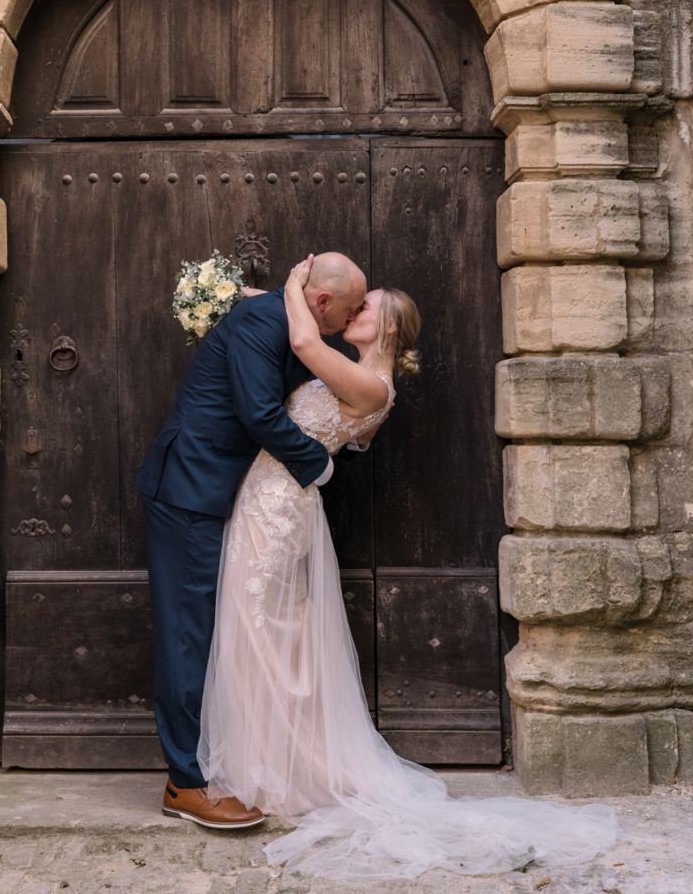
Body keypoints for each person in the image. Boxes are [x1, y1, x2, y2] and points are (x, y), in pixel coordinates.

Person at [197, 257, 620, 881]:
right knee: (262, 630)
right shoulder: (360, 372)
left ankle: (288, 768)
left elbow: (302, 338)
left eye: (365, 308)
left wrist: (291, 286)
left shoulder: (373, 386)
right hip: (265, 497)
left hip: (279, 507)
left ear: (388, 329)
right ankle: (274, 759)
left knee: (261, 627)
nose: (354, 311)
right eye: (352, 303)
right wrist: (240, 292)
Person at [135, 251, 368, 829]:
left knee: (209, 628)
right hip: (190, 488)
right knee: (188, 634)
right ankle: (184, 783)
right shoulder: (267, 322)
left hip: (218, 492)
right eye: (347, 310)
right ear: (320, 302)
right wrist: (319, 465)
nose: (350, 319)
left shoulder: (288, 318)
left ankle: (215, 763)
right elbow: (261, 413)